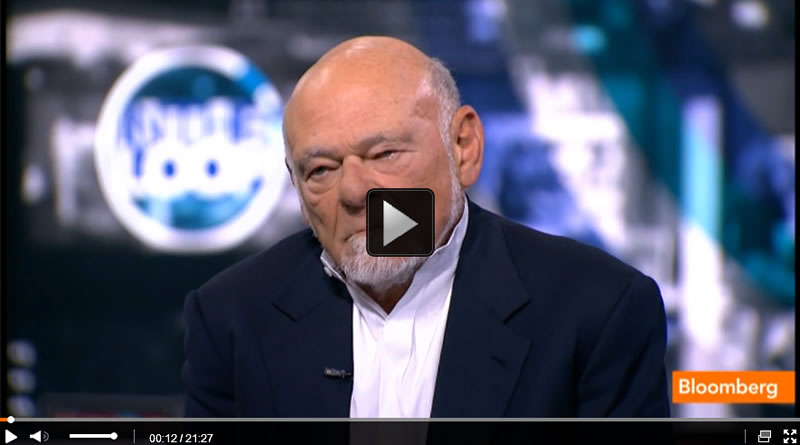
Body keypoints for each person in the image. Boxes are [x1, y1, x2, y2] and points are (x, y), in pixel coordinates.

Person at [182, 36, 670, 417]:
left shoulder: (597, 309)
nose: (353, 192)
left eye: (384, 154)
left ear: (463, 148)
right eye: (321, 170)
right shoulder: (231, 316)